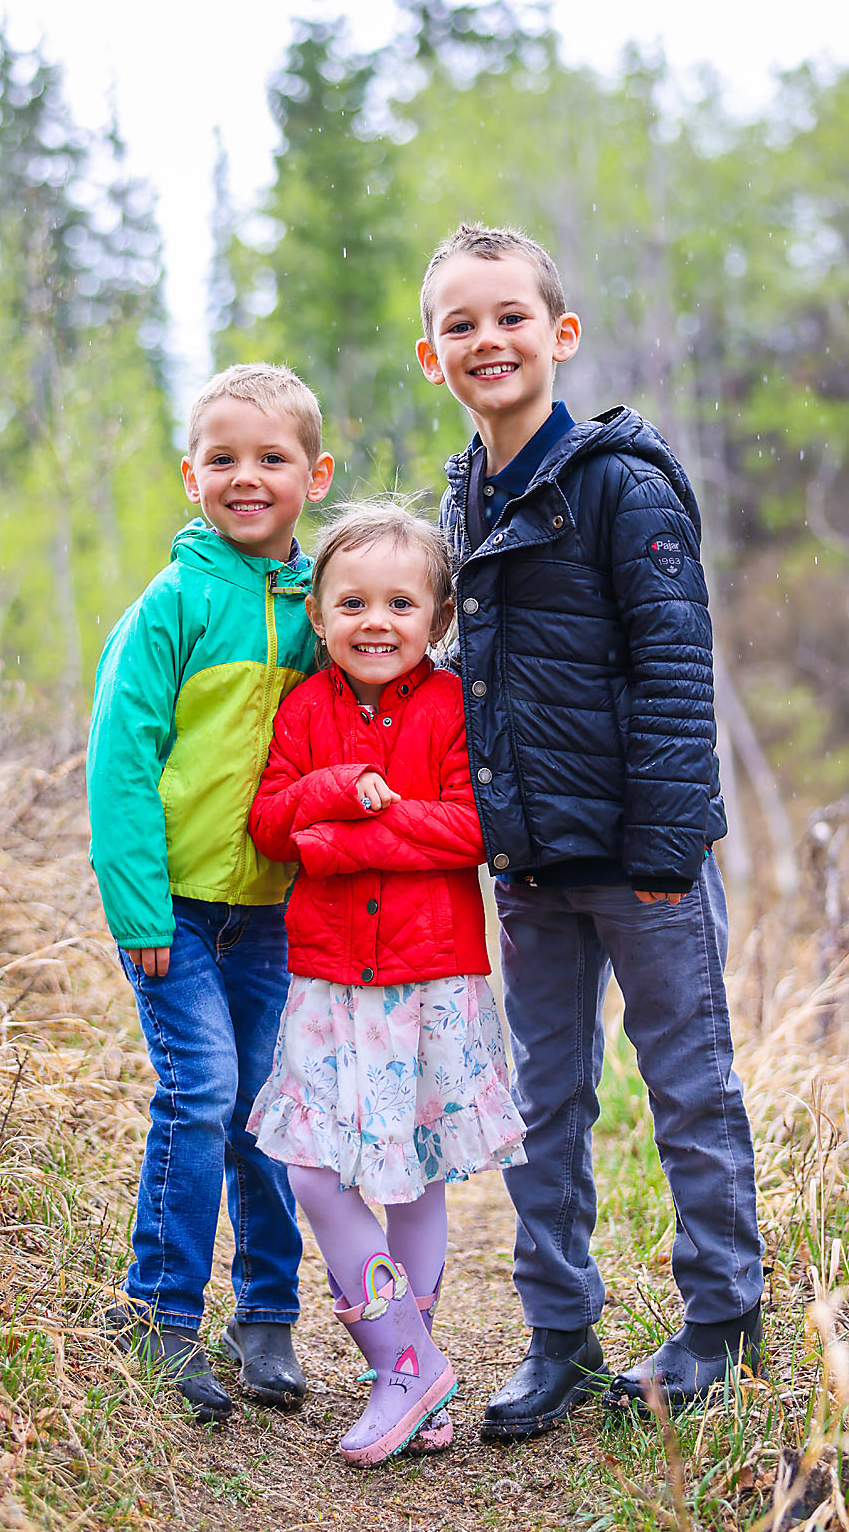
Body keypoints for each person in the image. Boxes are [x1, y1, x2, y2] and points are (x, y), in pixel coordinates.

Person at [414, 222, 765, 1435]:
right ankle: (558, 1332)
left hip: (640, 855)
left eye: (508, 316)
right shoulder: (461, 493)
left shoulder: (618, 483)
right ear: (430, 357)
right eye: (459, 324)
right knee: (541, 1099)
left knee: (686, 1085)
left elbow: (673, 672)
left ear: (557, 336)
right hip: (530, 863)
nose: (486, 340)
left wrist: (667, 849)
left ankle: (721, 1322)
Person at [247, 500, 527, 1467]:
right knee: (312, 1169)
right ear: (318, 615)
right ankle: (407, 1356)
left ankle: (406, 1389)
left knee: (416, 1169)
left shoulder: (454, 708)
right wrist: (329, 796)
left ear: (438, 618)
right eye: (352, 602)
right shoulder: (302, 710)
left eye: (400, 603)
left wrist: (343, 843)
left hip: (432, 978)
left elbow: (473, 829)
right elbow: (271, 824)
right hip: (327, 980)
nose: (376, 622)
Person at [86, 363, 334, 1423]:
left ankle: (268, 1316)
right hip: (177, 917)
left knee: (264, 1114)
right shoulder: (173, 604)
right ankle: (160, 1315)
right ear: (188, 475)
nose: (246, 476)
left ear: (313, 475)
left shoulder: (325, 606)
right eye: (222, 459)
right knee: (199, 1097)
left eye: (270, 458)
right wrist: (139, 909)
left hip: (272, 914)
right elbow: (119, 760)